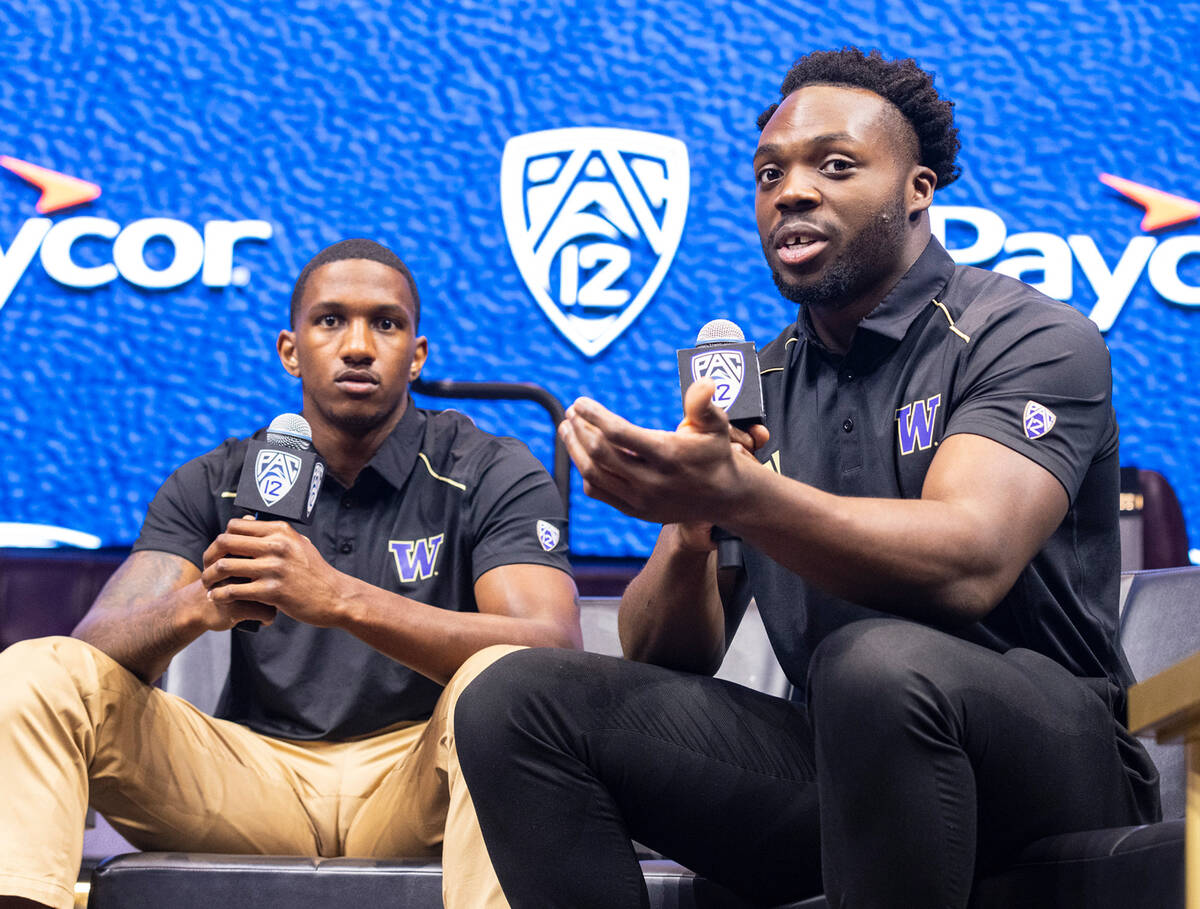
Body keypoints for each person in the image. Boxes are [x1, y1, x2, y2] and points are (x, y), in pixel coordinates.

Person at [453, 48, 1160, 908]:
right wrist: (692, 525)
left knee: (875, 662)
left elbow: (968, 560)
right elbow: (667, 653)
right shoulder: (761, 383)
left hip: (1051, 765)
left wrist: (742, 494)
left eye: (835, 165)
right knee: (513, 700)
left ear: (918, 189)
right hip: (844, 762)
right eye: (767, 173)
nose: (790, 190)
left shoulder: (1026, 334)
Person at [0, 238, 580, 909]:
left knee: (500, 681)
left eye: (385, 323)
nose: (358, 345)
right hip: (249, 781)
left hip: (420, 779)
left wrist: (337, 597)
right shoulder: (216, 479)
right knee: (37, 669)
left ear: (416, 356)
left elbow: (550, 653)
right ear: (290, 349)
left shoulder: (486, 467)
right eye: (330, 320)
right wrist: (198, 604)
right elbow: (91, 650)